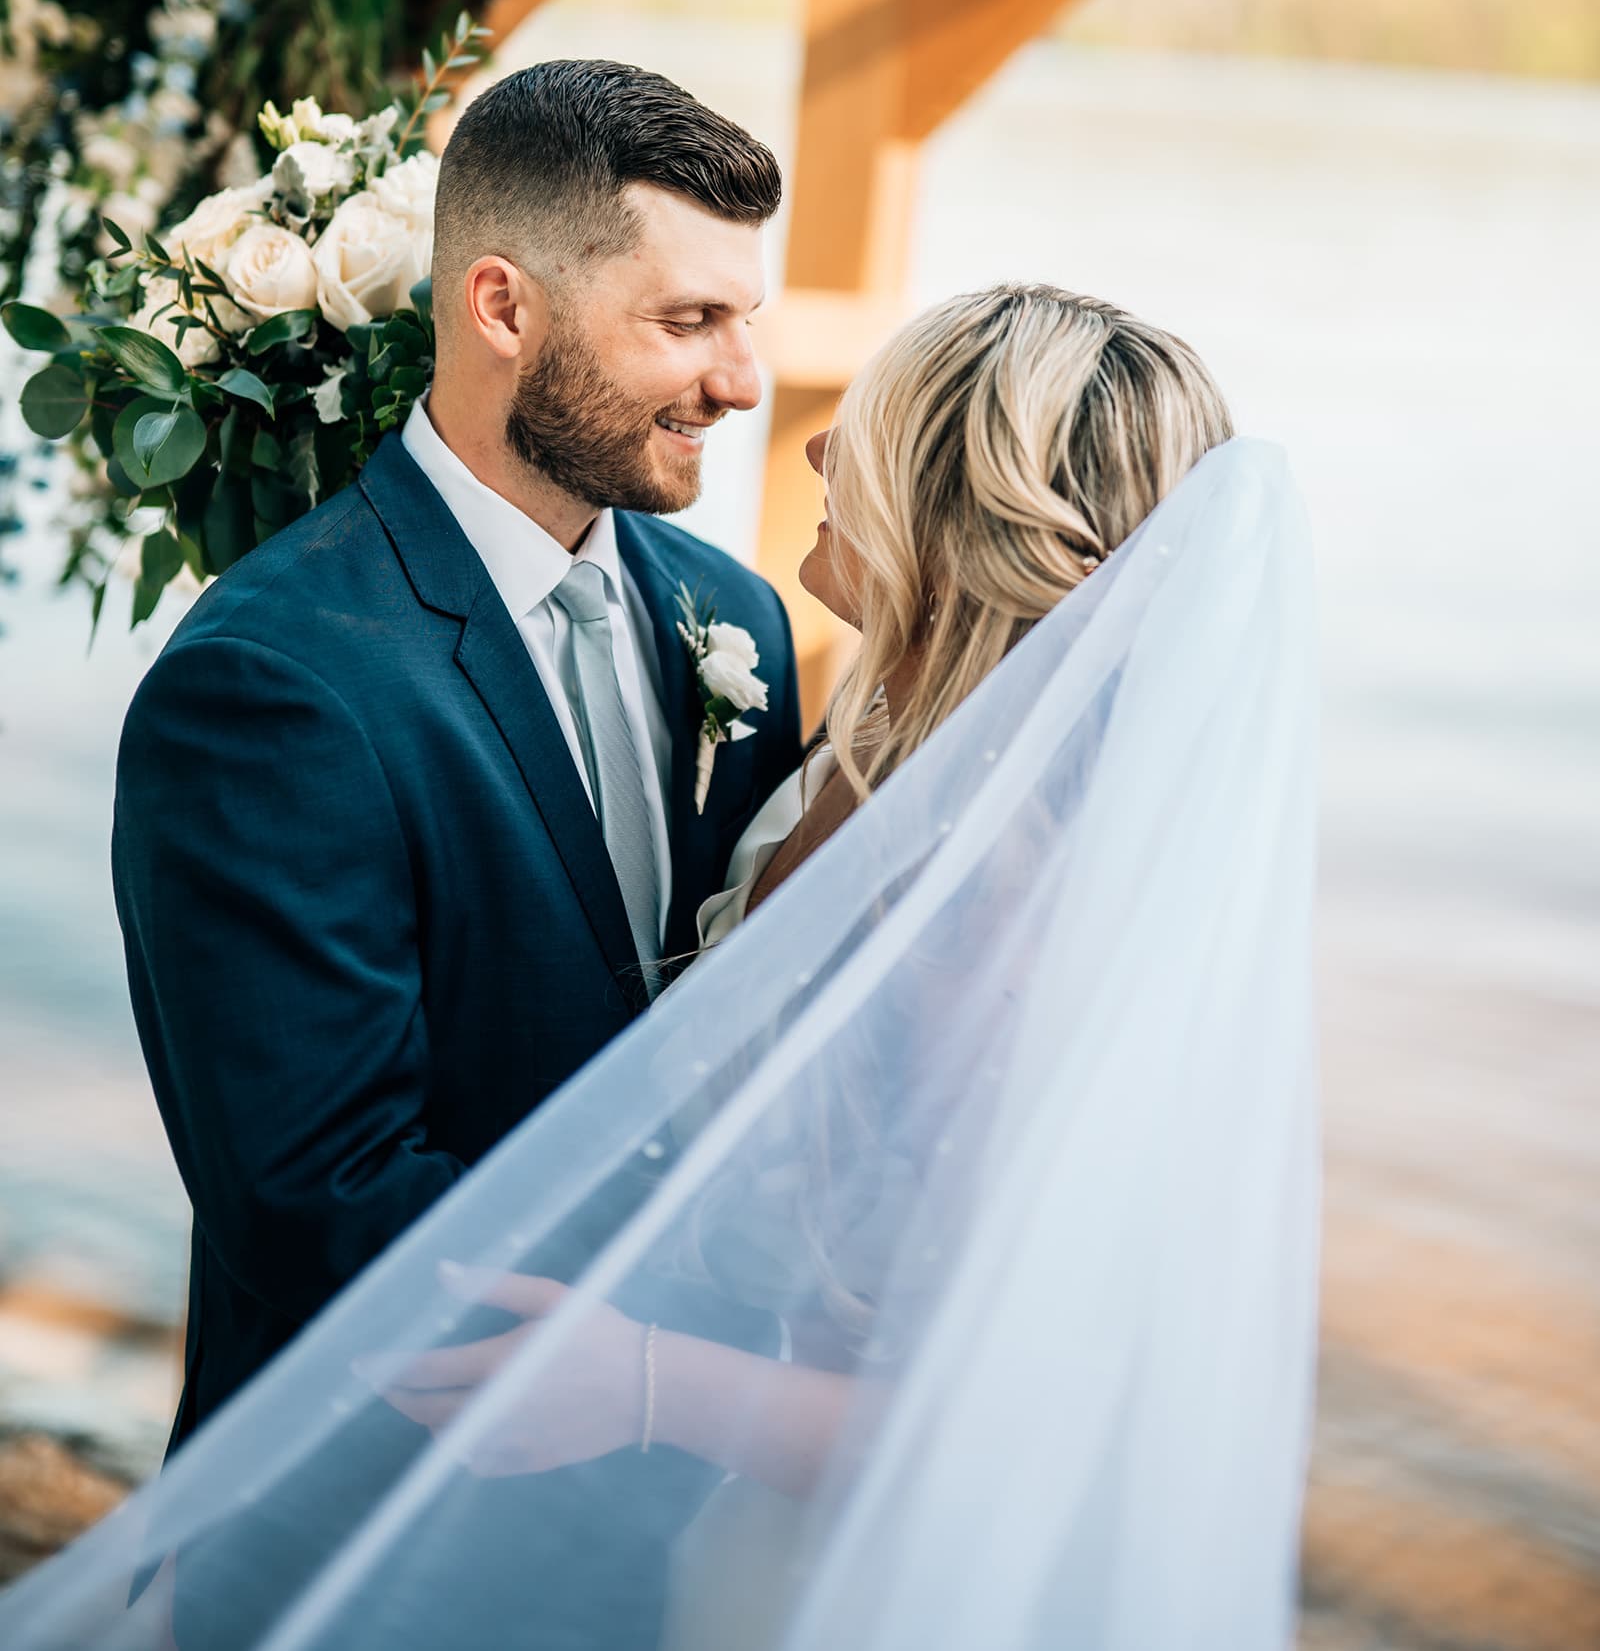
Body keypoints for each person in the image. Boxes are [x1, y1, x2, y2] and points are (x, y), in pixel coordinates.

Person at [8, 284, 1319, 1651]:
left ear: (954, 513)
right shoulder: (881, 754)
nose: (809, 447)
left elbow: (1050, 1410)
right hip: (677, 1531)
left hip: (849, 1567)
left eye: (864, 432)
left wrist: (647, 1383)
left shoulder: (1016, 910)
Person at [110, 59, 803, 1449]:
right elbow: (320, 1189)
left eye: (747, 318)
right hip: (365, 1507)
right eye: (689, 320)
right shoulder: (275, 682)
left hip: (659, 1508)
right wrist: (658, 1379)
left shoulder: (738, 617)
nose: (740, 378)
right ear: (501, 304)